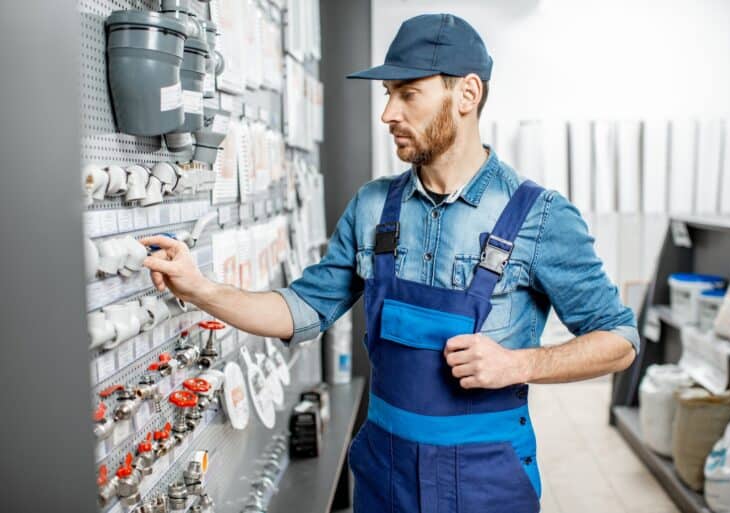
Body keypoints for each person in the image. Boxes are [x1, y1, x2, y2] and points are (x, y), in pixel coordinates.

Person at [142, 13, 639, 513]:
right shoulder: (373, 207)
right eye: (388, 95)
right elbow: (300, 310)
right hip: (384, 471)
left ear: (466, 95)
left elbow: (619, 341)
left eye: (407, 94)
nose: (388, 115)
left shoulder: (539, 215)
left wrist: (519, 363)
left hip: (485, 476)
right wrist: (198, 287)